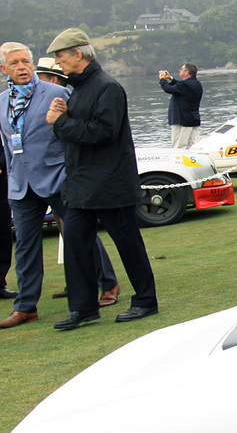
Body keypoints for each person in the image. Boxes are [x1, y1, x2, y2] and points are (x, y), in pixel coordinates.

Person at [43, 28, 159, 329]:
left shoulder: (107, 87)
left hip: (110, 184)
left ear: (78, 54)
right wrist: (65, 115)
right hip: (82, 184)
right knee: (75, 243)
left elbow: (103, 132)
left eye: (61, 57)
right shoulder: (80, 88)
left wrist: (62, 121)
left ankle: (146, 300)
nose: (58, 63)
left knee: (128, 243)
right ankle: (83, 307)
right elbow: (84, 127)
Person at [1, 43, 118, 326]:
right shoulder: (2, 101)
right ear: (4, 69)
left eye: (26, 61)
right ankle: (26, 306)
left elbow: (74, 133)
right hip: (21, 184)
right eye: (15, 63)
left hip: (58, 178)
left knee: (82, 234)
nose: (22, 67)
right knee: (25, 247)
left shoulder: (58, 92)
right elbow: (7, 144)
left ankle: (108, 284)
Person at [158, 63, 203, 148]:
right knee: (194, 145)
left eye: (181, 69)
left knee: (179, 146)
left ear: (187, 72)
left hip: (182, 120)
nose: (180, 70)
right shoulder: (196, 83)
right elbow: (179, 86)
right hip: (192, 119)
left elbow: (169, 89)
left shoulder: (185, 85)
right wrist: (170, 79)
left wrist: (162, 79)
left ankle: (179, 161)